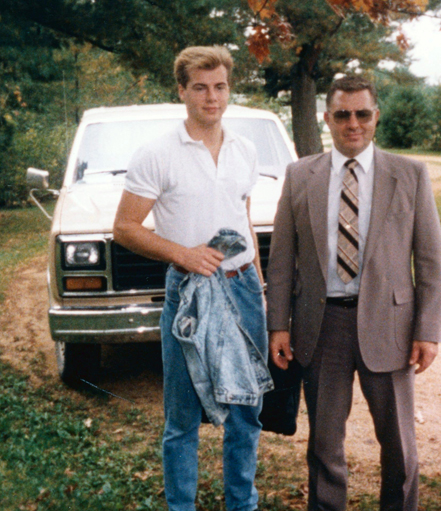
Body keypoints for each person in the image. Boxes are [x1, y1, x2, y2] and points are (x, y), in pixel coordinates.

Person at [266, 75, 441, 511]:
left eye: (362, 114)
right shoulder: (299, 176)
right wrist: (278, 326)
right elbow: (281, 261)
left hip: (391, 328)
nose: (353, 123)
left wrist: (428, 330)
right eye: (343, 114)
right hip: (321, 326)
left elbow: (430, 262)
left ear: (376, 117)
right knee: (325, 446)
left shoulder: (410, 175)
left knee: (400, 447)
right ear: (327, 118)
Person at [113, 46, 268, 511]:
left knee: (246, 412)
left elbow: (242, 219)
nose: (211, 97)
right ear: (181, 91)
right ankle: (182, 506)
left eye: (219, 86)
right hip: (189, 294)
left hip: (241, 288)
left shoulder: (245, 150)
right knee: (182, 417)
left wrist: (257, 287)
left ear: (229, 90)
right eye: (200, 87)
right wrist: (182, 253)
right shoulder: (157, 153)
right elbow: (124, 228)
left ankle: (242, 503)